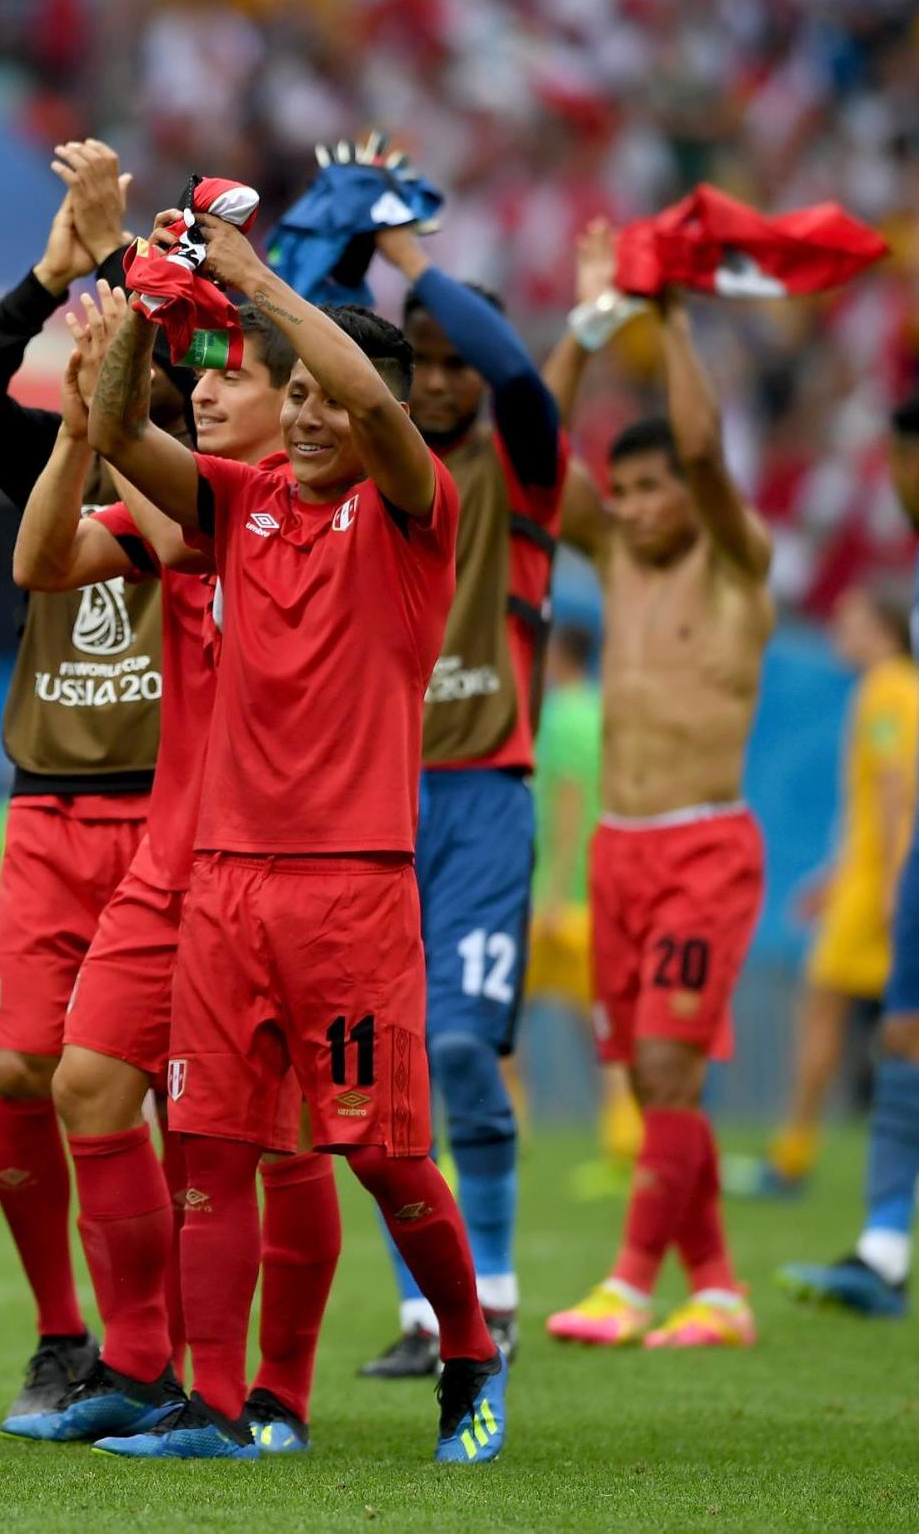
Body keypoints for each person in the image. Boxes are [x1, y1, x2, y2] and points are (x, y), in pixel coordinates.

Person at [89, 210, 507, 1465]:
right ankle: (222, 1406)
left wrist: (256, 281)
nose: (317, 417)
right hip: (224, 884)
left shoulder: (410, 515)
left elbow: (383, 423)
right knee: (211, 1140)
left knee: (379, 1153)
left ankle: (470, 1356)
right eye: (304, 399)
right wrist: (141, 316)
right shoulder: (238, 500)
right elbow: (117, 435)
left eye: (337, 397)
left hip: (351, 892)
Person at [4, 284, 340, 1455]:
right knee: (85, 1085)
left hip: (278, 868)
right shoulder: (168, 510)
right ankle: (138, 1365)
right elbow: (40, 562)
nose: (201, 389)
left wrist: (167, 310)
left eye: (229, 375)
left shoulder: (314, 518)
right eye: (192, 374)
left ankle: (276, 1395)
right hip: (169, 860)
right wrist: (80, 424)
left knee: (267, 1136)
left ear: (300, 402)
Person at [0, 141, 165, 1417]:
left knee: (171, 1093)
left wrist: (121, 253)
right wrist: (49, 272)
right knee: (20, 1071)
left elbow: (172, 347)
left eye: (114, 336)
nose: (94, 352)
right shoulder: (63, 462)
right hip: (47, 809)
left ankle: (166, 1344)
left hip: (166, 814)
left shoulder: (206, 474)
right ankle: (65, 1331)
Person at [542, 219, 773, 1352]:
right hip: (616, 854)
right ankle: (719, 1288)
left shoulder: (736, 561)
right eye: (618, 490)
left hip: (700, 846)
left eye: (648, 486)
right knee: (649, 1072)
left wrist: (666, 314)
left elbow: (706, 452)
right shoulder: (617, 561)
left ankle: (630, 1280)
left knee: (669, 1065)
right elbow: (536, 450)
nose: (629, 505)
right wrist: (587, 327)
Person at [355, 217, 563, 1378]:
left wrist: (412, 260)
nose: (435, 381)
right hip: (370, 803)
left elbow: (525, 373)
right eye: (415, 360)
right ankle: (428, 1314)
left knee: (460, 1049)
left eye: (452, 359)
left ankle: (495, 1289)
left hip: (481, 795)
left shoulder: (522, 464)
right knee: (385, 1069)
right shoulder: (375, 470)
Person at [781, 393, 919, 1320]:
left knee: (851, 1022)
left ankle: (804, 1162)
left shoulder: (885, 688)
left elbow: (895, 792)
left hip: (893, 878)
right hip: (886, 879)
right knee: (892, 1035)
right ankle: (881, 1246)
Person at [762, 583, 918, 1194]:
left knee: (824, 1005)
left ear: (879, 626)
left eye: (850, 618)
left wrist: (892, 885)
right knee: (892, 1022)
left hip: (880, 883)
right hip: (870, 877)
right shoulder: (898, 686)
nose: (838, 631)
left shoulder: (884, 690)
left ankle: (791, 1157)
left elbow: (894, 792)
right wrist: (832, 880)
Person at [526, 625, 639, 1172]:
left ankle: (506, 1134)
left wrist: (550, 894)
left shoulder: (563, 717)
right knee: (602, 1026)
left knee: (490, 1022)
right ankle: (622, 1142)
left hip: (561, 901)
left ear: (557, 656)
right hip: (600, 893)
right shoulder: (602, 712)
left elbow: (569, 806)